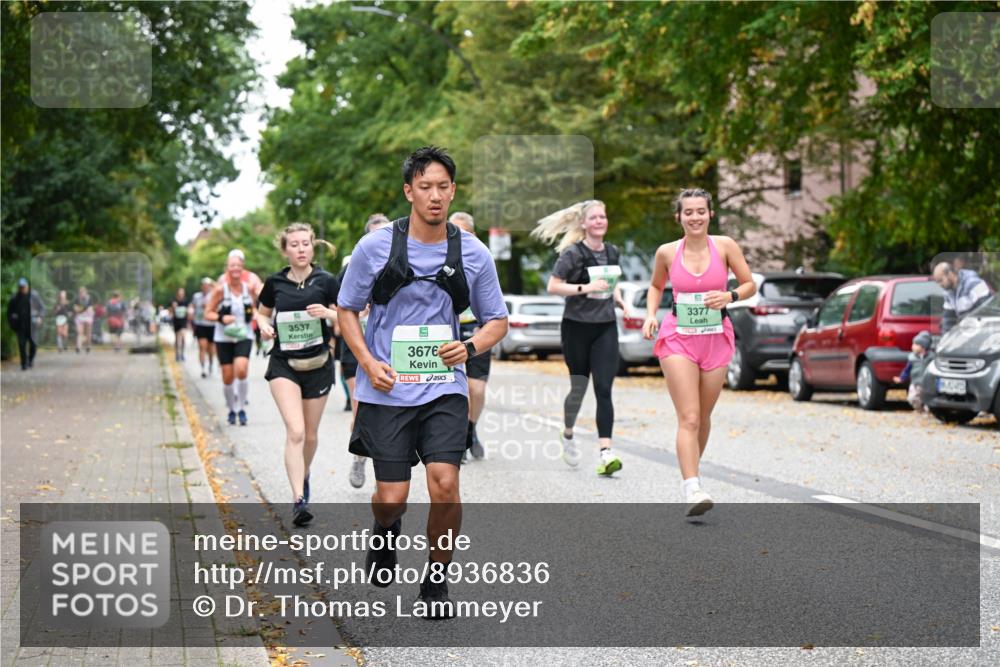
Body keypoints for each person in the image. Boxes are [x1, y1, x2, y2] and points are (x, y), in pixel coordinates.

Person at [337, 146, 508, 618]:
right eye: (425, 186)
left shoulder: (473, 253)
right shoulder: (374, 247)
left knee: (445, 483)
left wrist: (469, 347)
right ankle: (385, 530)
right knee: (391, 499)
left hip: (443, 385)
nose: (435, 195)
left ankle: (436, 580)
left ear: (453, 191)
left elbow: (497, 320)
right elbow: (346, 310)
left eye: (443, 187)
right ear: (408, 191)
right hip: (387, 387)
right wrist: (367, 362)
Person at [641, 188, 755, 517]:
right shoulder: (667, 252)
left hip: (716, 337)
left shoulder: (725, 246)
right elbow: (656, 286)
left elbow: (749, 284)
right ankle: (692, 486)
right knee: (689, 417)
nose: (695, 217)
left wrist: (730, 296)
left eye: (700, 211)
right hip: (678, 337)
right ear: (678, 217)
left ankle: (693, 471)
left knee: (703, 417)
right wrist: (650, 314)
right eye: (688, 212)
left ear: (710, 214)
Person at [532, 200, 627, 476]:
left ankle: (606, 452)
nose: (599, 221)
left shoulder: (613, 252)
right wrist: (586, 287)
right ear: (583, 223)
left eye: (602, 217)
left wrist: (619, 298)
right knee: (579, 387)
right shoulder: (573, 254)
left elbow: (611, 282)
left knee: (604, 388)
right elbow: (553, 286)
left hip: (605, 326)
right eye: (594, 217)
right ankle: (568, 433)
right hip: (576, 327)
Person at [256, 223, 340, 527]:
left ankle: (303, 475)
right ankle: (298, 500)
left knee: (311, 435)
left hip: (318, 364)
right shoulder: (275, 282)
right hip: (284, 363)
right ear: (285, 250)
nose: (301, 249)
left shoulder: (326, 281)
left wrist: (327, 314)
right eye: (294, 244)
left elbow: (347, 316)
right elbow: (262, 312)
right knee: (296, 431)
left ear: (313, 246)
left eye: (306, 243)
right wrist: (264, 326)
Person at [337, 213, 393, 489]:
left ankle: (387, 471)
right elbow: (338, 308)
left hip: (389, 348)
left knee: (390, 411)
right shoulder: (353, 267)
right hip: (356, 347)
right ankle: (360, 457)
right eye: (375, 235)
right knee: (362, 409)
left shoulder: (403, 264)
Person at [450, 212, 490, 460]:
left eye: (463, 233)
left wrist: (483, 327)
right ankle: (458, 437)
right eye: (453, 232)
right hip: (449, 335)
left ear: (473, 235)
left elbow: (493, 307)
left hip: (477, 332)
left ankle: (471, 429)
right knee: (458, 390)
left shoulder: (482, 261)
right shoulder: (438, 260)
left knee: (476, 389)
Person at [206, 250, 258, 426]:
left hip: (244, 335)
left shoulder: (249, 289)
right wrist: (222, 318)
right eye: (232, 265)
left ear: (242, 268)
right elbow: (208, 313)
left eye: (238, 265)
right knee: (227, 376)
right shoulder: (220, 290)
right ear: (227, 268)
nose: (235, 268)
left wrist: (256, 316)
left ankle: (241, 408)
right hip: (224, 337)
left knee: (241, 370)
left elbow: (255, 307)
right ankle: (231, 409)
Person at [932, 261, 991, 334]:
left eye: (940, 280)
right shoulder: (949, 293)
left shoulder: (974, 283)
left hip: (982, 331)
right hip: (967, 331)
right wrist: (946, 336)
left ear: (950, 274)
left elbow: (987, 310)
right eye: (937, 282)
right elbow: (948, 319)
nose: (939, 285)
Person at [893, 330, 934, 412]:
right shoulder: (912, 358)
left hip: (927, 384)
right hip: (915, 383)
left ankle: (928, 410)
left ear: (923, 347)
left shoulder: (931, 357)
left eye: (915, 344)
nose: (912, 346)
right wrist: (901, 378)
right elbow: (907, 370)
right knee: (912, 398)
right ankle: (919, 409)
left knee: (927, 399)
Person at [7, 278, 39, 370]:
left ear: (27, 287)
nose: (22, 289)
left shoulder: (34, 296)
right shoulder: (14, 298)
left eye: (24, 287)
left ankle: (30, 359)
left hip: (32, 326)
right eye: (20, 287)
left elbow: (41, 308)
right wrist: (13, 324)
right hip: (20, 326)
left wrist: (40, 317)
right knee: (21, 345)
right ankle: (24, 363)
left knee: (34, 345)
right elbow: (10, 313)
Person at [191, 278, 217, 378]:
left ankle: (210, 363)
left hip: (211, 325)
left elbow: (218, 308)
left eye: (207, 285)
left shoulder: (214, 295)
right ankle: (203, 368)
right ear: (201, 286)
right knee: (202, 346)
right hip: (200, 324)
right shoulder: (196, 296)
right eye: (204, 285)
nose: (205, 287)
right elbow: (193, 308)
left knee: (211, 349)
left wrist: (209, 307)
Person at [170, 288, 191, 361]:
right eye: (180, 293)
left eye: (182, 293)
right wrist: (173, 308)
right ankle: (177, 354)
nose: (181, 294)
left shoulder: (186, 301)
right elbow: (171, 312)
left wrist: (189, 322)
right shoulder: (174, 301)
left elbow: (188, 311)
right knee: (177, 339)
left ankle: (182, 353)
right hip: (176, 322)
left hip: (183, 322)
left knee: (183, 338)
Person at [73, 286, 94, 354]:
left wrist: (81, 309)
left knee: (88, 333)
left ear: (86, 292)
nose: (82, 294)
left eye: (83, 292)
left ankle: (88, 346)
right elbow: (75, 309)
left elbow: (90, 309)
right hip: (80, 317)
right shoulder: (77, 299)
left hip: (88, 316)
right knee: (79, 332)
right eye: (80, 292)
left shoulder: (89, 299)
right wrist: (82, 309)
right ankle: (78, 347)